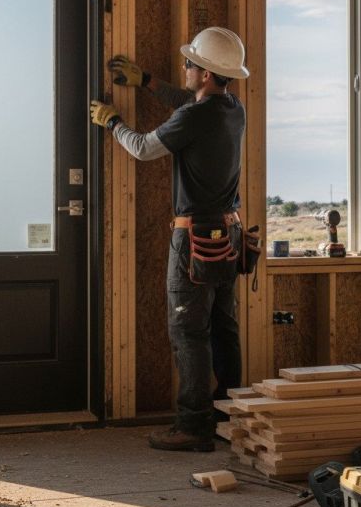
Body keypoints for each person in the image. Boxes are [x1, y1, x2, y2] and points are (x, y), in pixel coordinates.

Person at [90, 27, 249, 451]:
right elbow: (188, 104)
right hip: (228, 234)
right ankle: (224, 416)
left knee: (188, 331)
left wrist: (113, 123)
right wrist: (146, 82)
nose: (185, 68)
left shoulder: (196, 117)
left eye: (190, 64)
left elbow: (143, 148)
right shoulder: (233, 109)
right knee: (222, 328)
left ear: (207, 74)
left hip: (195, 237)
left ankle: (193, 428)